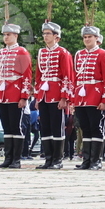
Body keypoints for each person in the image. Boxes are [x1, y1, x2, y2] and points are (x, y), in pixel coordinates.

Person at [0, 9, 32, 169]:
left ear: (16, 35)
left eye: (8, 34)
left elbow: (27, 75)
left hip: (15, 93)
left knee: (16, 127)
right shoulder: (1, 53)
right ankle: (8, 158)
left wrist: (24, 96)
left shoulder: (22, 51)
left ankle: (16, 159)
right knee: (7, 128)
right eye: (4, 35)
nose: (6, 37)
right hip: (3, 94)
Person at [35, 14, 75, 170]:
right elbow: (38, 76)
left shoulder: (63, 53)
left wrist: (64, 97)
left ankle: (57, 159)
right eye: (44, 33)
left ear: (56, 37)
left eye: (48, 33)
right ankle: (48, 158)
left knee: (57, 127)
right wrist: (37, 97)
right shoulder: (41, 52)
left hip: (57, 93)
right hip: (44, 94)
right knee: (45, 127)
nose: (45, 36)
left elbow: (67, 76)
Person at [73, 21, 105, 171]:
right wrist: (74, 99)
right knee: (85, 128)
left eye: (90, 37)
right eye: (85, 37)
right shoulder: (79, 54)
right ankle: (87, 160)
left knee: (96, 128)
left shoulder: (103, 54)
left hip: (96, 95)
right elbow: (76, 77)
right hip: (81, 96)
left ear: (97, 38)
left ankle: (96, 160)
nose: (87, 39)